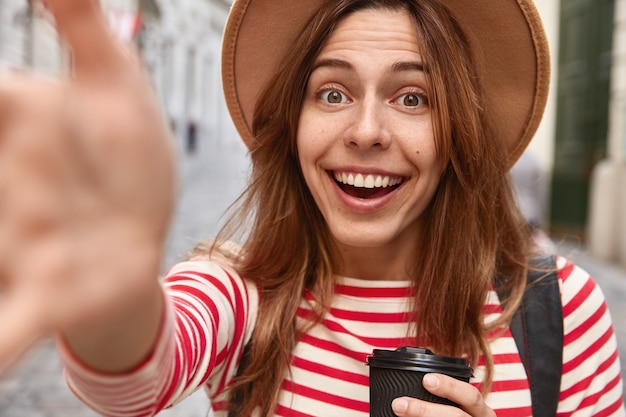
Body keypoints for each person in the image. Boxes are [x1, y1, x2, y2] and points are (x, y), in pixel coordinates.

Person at [0, 0, 623, 417]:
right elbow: (131, 379)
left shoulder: (560, 313)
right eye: (331, 91)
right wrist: (115, 286)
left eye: (413, 98)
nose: (366, 130)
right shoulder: (243, 297)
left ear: (459, 131)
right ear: (291, 127)